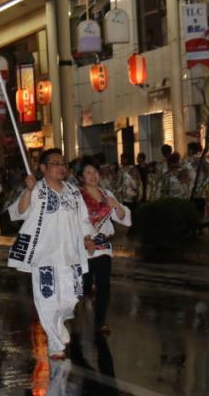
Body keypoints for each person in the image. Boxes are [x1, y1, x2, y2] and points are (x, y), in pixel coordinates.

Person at [8, 149, 95, 359]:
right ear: (43, 168)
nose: (61, 167)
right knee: (47, 300)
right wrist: (28, 190)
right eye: (55, 163)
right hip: (44, 256)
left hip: (70, 255)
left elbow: (83, 218)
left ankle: (58, 322)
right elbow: (20, 212)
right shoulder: (36, 189)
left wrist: (87, 237)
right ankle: (55, 345)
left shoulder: (73, 192)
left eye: (63, 163)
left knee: (71, 297)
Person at [77, 158, 130, 333]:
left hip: (103, 247)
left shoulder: (107, 194)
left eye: (95, 172)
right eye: (88, 173)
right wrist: (86, 238)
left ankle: (100, 322)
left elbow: (121, 217)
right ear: (81, 177)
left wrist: (117, 206)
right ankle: (85, 295)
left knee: (104, 285)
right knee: (84, 285)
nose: (93, 176)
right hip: (84, 248)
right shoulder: (78, 196)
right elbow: (76, 220)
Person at [184, 142, 209, 216]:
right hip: (203, 191)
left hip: (191, 191)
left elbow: (185, 176)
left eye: (188, 149)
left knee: (192, 213)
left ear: (191, 150)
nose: (187, 151)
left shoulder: (187, 161)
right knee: (201, 211)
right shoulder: (206, 160)